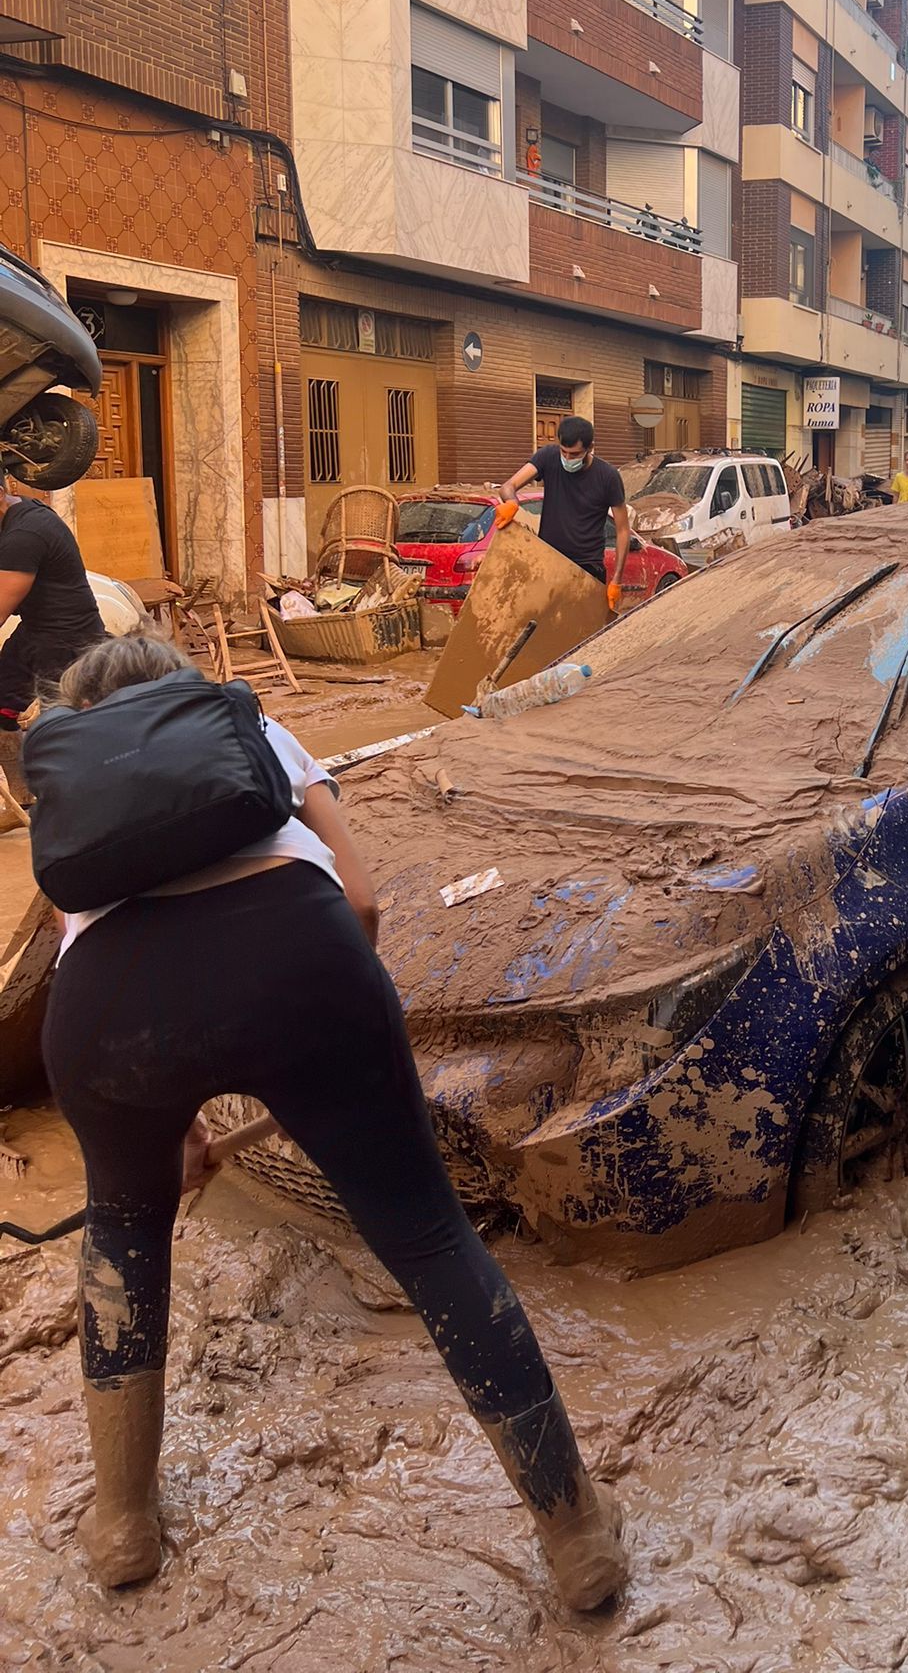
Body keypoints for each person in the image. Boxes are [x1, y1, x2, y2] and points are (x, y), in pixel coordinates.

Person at [39, 630, 627, 1608]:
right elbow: (356, 898)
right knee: (429, 1236)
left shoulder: (75, 785)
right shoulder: (250, 724)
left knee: (126, 1228)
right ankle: (575, 1533)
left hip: (105, 1015)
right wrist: (348, 1025)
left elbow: (116, 960)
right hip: (300, 955)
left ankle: (123, 1524)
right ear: (179, 693)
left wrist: (173, 1124)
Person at [0, 485, 106, 795]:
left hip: (69, 640)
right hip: (37, 630)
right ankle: (21, 794)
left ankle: (77, 803)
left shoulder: (26, 535)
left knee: (62, 727)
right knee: (3, 700)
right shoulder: (17, 511)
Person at [498, 416, 631, 614]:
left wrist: (617, 580)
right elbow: (509, 486)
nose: (567, 459)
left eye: (575, 454)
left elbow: (622, 530)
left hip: (587, 568)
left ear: (590, 447)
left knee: (584, 635)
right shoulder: (548, 457)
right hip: (548, 560)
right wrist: (511, 502)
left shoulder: (608, 477)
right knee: (544, 629)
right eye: (564, 451)